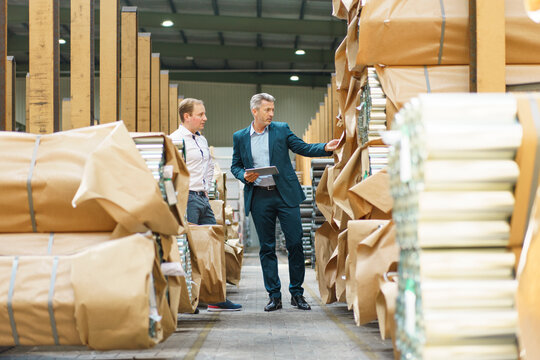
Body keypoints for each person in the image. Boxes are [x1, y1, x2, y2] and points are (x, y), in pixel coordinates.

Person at [231, 93, 339, 312]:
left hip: (284, 195)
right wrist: (243, 175)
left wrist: (326, 147)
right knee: (267, 248)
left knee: (295, 244)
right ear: (255, 111)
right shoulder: (240, 137)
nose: (271, 113)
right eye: (267, 110)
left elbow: (302, 148)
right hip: (260, 196)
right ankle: (274, 296)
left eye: (272, 109)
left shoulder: (281, 129)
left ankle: (297, 294)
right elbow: (235, 165)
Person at [170, 98, 242, 312]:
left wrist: (207, 189)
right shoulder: (174, 140)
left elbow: (210, 167)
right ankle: (188, 298)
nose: (205, 118)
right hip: (187, 200)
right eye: (200, 114)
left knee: (214, 246)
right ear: (187, 116)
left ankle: (215, 297)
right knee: (189, 250)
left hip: (202, 198)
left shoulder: (201, 140)